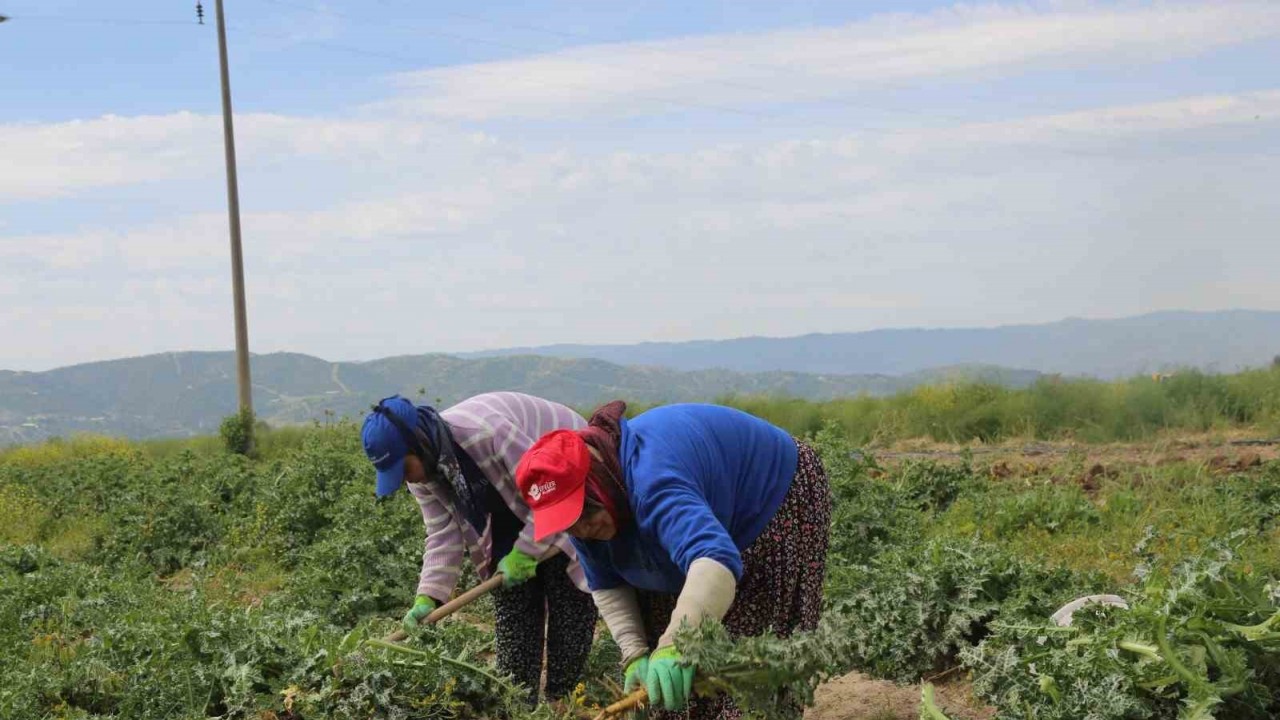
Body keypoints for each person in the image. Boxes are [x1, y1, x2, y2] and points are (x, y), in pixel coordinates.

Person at [515, 401, 832, 719]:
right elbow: (607, 584)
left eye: (584, 513)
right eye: (568, 522)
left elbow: (714, 559)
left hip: (768, 493)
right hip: (697, 517)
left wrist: (677, 642)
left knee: (748, 660)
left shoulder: (653, 483)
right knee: (671, 672)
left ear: (600, 481)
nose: (580, 529)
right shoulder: (586, 519)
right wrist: (635, 652)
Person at [362, 392, 598, 703]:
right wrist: (428, 596)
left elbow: (550, 495)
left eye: (404, 469)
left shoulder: (486, 432)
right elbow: (442, 531)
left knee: (568, 594)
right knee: (513, 606)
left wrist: (527, 551)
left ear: (418, 442)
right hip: (508, 500)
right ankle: (518, 702)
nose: (407, 479)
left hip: (565, 477)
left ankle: (563, 699)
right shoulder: (424, 472)